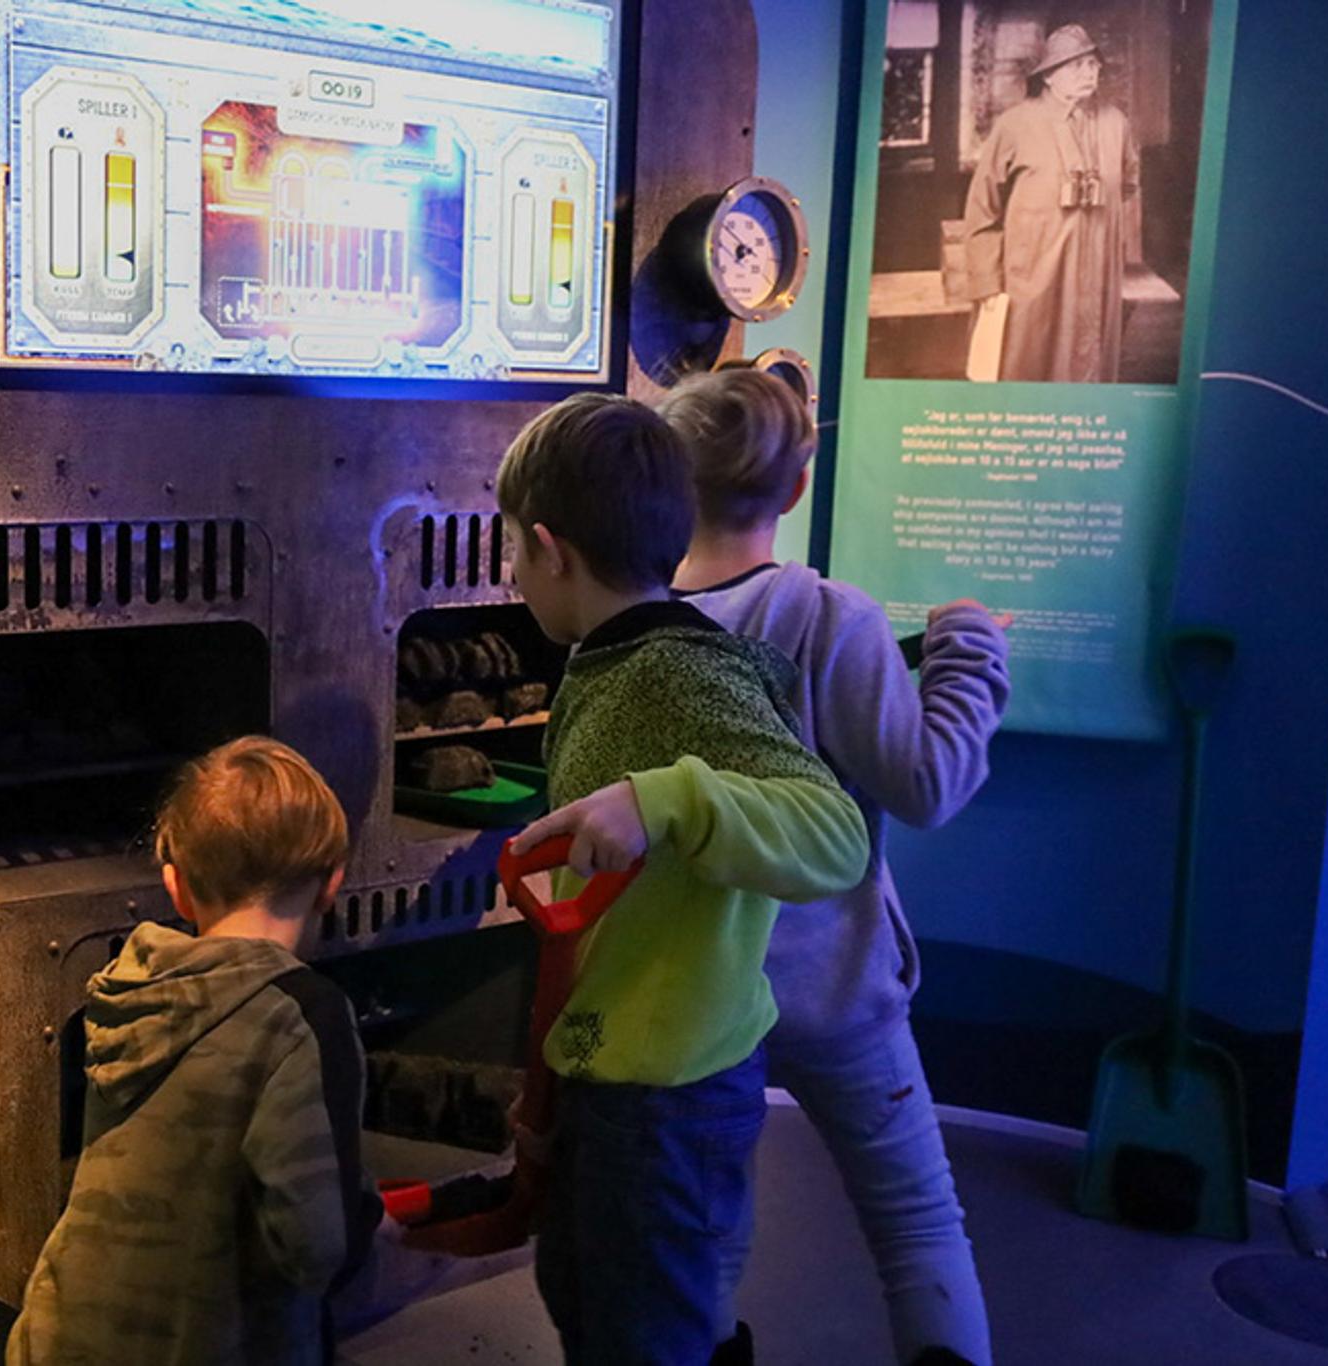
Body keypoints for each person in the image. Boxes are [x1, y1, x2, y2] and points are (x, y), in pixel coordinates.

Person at [499, 392, 872, 1365]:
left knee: (644, 1331)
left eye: (507, 548)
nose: (506, 571)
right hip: (611, 1071)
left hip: (665, 1098)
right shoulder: (606, 661)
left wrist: (663, 797)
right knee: (585, 1295)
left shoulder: (677, 672)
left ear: (548, 549)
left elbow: (834, 835)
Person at [662, 368, 1010, 1366]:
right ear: (798, 484)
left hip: (701, 1002)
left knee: (708, 1244)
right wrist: (966, 651)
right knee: (915, 1224)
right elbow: (927, 782)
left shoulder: (637, 626)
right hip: (837, 990)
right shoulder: (829, 618)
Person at [6, 736, 381, 1366]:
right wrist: (368, 1222)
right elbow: (318, 1246)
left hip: (61, 1338)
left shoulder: (132, 987)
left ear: (176, 888)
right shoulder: (300, 1014)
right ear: (331, 884)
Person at [961, 23, 1140, 383]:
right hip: (1032, 275)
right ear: (1049, 76)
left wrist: (1090, 229)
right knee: (1026, 363)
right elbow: (983, 208)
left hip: (1096, 271)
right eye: (1077, 65)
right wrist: (987, 284)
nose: (1090, 73)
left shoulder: (1115, 124)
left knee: (1092, 366)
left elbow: (1127, 184)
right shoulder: (1015, 125)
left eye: (1093, 65)